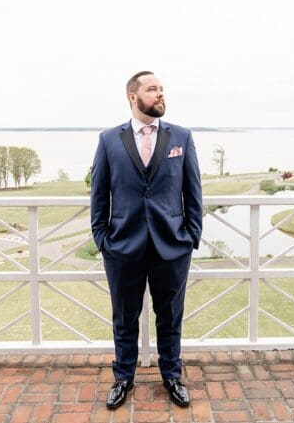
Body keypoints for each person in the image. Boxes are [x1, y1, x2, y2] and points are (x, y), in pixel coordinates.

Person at [89, 70, 202, 409]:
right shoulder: (109, 139)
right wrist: (102, 238)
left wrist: (191, 236)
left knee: (170, 318)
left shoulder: (181, 136)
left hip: (172, 246)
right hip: (123, 246)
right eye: (152, 89)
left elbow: (192, 191)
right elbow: (99, 193)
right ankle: (123, 376)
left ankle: (172, 375)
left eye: (162, 89)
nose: (160, 94)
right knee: (124, 318)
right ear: (133, 96)